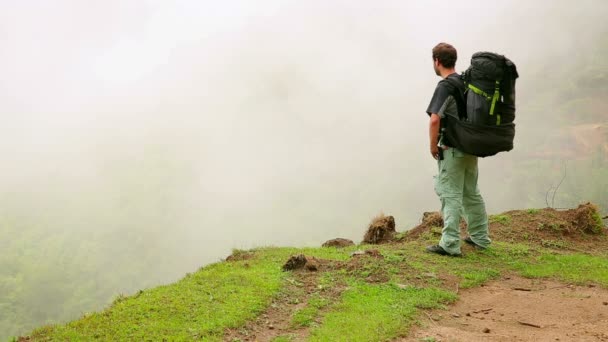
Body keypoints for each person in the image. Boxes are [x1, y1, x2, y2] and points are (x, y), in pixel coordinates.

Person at [425, 42, 491, 256]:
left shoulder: (445, 85)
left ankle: (450, 244)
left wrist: (432, 145)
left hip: (451, 148)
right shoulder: (466, 82)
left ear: (437, 61)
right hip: (471, 147)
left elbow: (435, 119)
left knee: (450, 195)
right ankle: (480, 238)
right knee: (471, 193)